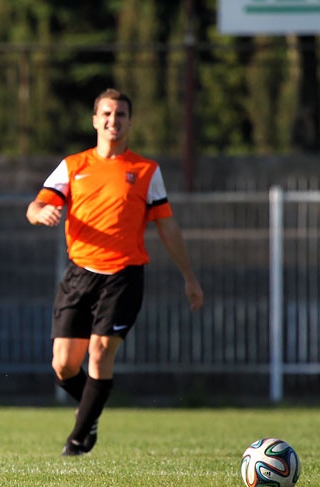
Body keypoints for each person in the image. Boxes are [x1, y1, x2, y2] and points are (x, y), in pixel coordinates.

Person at [26, 88, 204, 456]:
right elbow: (36, 204)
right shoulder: (74, 166)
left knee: (101, 349)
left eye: (120, 115)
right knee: (63, 365)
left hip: (124, 275)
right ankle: (90, 411)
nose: (113, 121)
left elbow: (167, 227)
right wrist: (39, 213)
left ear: (129, 122)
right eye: (106, 114)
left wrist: (189, 276)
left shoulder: (145, 170)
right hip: (79, 275)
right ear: (95, 120)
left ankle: (77, 439)